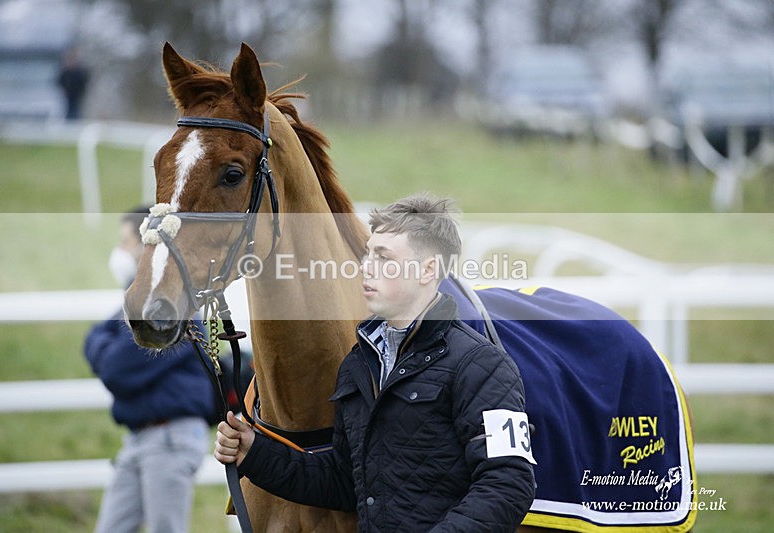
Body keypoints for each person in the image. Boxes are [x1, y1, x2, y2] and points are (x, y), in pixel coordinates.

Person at [215, 194, 536, 531]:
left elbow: (508, 484)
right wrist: (255, 454)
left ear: (428, 269)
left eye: (383, 258)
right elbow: (344, 481)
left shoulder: (481, 365)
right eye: (368, 253)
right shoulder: (358, 365)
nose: (365, 266)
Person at [84, 207, 217, 533]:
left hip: (170, 439)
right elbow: (93, 338)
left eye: (126, 243)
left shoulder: (171, 304)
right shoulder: (140, 301)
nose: (121, 253)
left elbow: (117, 369)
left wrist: (106, 351)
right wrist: (107, 348)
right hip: (141, 437)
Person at [57, 45, 89, 120]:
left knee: (75, 109)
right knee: (68, 109)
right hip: (67, 94)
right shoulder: (66, 71)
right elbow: (60, 81)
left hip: (77, 94)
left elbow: (84, 81)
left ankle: (74, 121)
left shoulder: (79, 71)